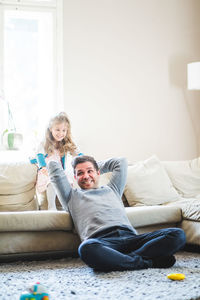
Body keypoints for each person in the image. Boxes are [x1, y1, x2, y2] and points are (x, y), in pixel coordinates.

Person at [47, 155, 186, 271]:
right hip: (103, 242)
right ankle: (148, 262)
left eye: (90, 171)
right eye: (80, 173)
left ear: (98, 172)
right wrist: (82, 168)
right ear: (75, 178)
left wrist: (94, 165)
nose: (86, 176)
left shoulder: (112, 189)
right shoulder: (71, 196)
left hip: (131, 238)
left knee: (177, 235)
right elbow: (53, 166)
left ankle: (121, 260)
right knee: (86, 248)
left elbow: (120, 162)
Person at [34, 112, 82, 210]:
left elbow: (77, 152)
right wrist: (42, 166)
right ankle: (51, 207)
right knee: (51, 181)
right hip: (46, 170)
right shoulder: (45, 142)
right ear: (51, 129)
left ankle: (68, 206)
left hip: (59, 171)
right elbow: (39, 154)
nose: (61, 133)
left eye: (64, 130)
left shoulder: (65, 143)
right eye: (57, 130)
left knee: (67, 181)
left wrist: (84, 159)